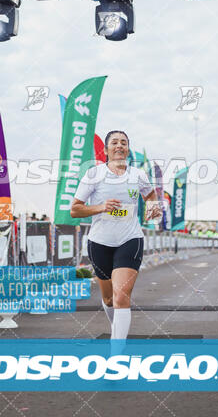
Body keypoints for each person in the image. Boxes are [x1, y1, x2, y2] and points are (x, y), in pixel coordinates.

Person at [70, 130, 161, 341]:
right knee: (109, 299)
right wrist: (101, 207)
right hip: (100, 242)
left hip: (130, 239)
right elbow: (75, 210)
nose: (119, 146)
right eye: (114, 142)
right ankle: (116, 330)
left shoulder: (138, 175)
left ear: (127, 149)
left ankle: (116, 354)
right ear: (106, 149)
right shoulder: (94, 174)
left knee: (121, 296)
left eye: (124, 142)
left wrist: (153, 207)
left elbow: (150, 194)